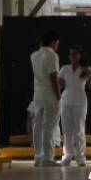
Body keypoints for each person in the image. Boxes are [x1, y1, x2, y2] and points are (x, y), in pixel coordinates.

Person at [59, 45, 91, 166]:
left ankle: (80, 156)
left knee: (79, 129)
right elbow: (59, 85)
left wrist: (89, 73)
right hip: (66, 100)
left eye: (75, 54)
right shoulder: (65, 68)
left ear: (80, 56)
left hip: (80, 100)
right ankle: (67, 155)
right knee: (67, 129)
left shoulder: (85, 69)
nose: (72, 56)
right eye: (70, 54)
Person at [31, 30, 61, 167]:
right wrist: (58, 94)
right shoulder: (52, 56)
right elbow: (53, 76)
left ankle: (38, 156)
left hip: (38, 95)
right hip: (50, 95)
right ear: (54, 42)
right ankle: (48, 156)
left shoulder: (34, 55)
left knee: (37, 126)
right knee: (49, 126)